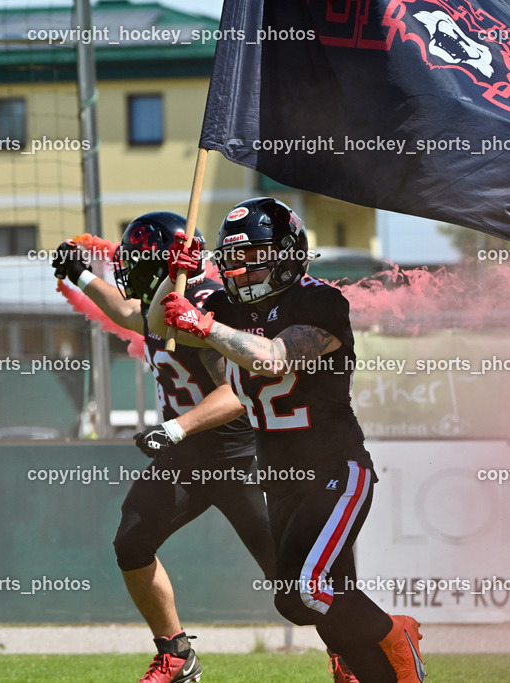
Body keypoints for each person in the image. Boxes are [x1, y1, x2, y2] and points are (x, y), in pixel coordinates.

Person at [148, 197, 427, 683]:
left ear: (286, 254)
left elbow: (274, 358)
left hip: (335, 469)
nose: (241, 270)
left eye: (253, 257)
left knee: (306, 591)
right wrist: (175, 279)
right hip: (279, 477)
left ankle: (393, 631)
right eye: (232, 259)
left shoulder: (321, 301)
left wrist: (207, 326)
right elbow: (157, 326)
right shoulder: (222, 305)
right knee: (302, 602)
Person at [51, 211, 276, 683]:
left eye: (135, 260)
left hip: (237, 455)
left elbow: (238, 392)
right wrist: (80, 273)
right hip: (186, 455)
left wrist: (176, 429)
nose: (126, 268)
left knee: (290, 575)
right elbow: (123, 311)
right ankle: (176, 654)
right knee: (132, 542)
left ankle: (351, 649)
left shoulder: (203, 307)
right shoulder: (159, 305)